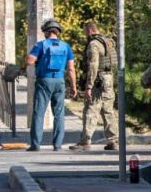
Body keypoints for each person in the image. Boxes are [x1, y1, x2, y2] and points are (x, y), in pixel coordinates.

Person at [26, 18, 77, 151]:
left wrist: (30, 58)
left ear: (46, 32)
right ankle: (57, 145)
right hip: (60, 81)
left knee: (39, 112)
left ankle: (36, 145)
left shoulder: (41, 45)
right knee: (59, 114)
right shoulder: (66, 46)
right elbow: (71, 69)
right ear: (58, 32)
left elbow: (30, 61)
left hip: (44, 81)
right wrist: (73, 87)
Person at [69, 21, 119, 151]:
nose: (85, 34)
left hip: (98, 80)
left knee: (90, 109)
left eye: (85, 31)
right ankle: (113, 140)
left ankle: (85, 140)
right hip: (108, 78)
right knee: (108, 110)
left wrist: (89, 86)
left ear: (90, 30)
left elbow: (93, 65)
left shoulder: (94, 44)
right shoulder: (108, 42)